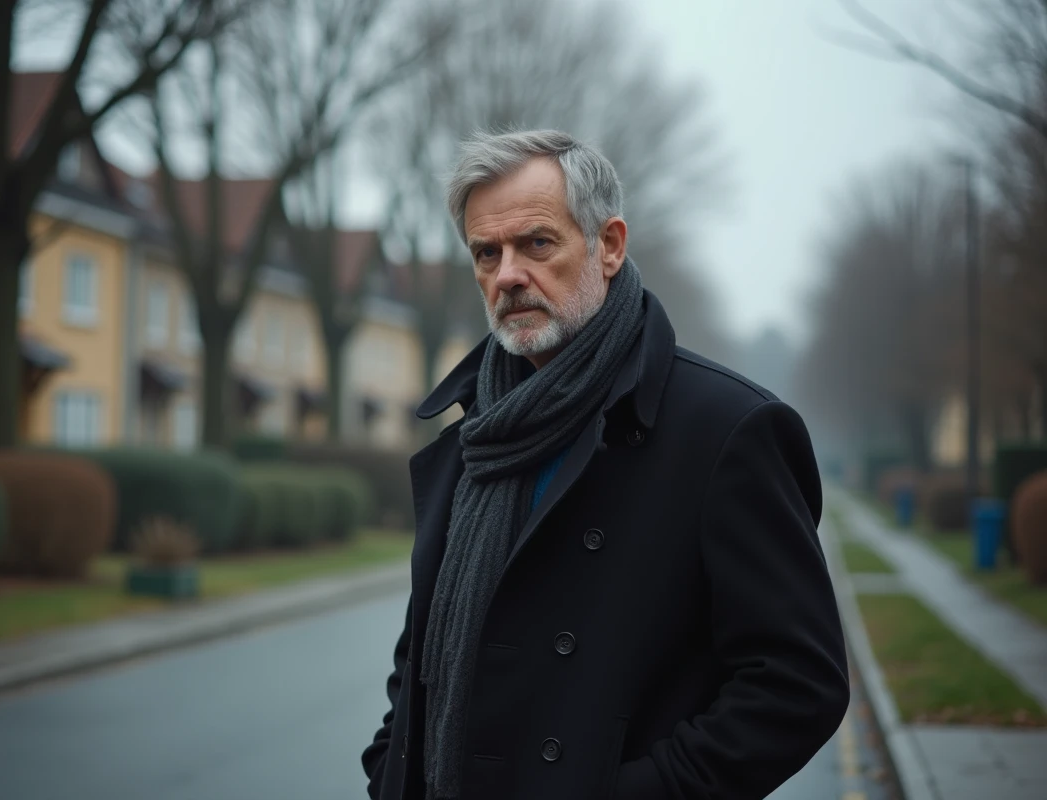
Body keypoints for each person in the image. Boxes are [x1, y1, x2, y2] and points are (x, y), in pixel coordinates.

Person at [361, 130, 848, 800]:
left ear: (609, 245)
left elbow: (798, 684)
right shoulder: (474, 436)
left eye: (536, 243)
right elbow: (419, 664)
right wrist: (389, 773)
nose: (507, 275)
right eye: (486, 252)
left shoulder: (726, 430)